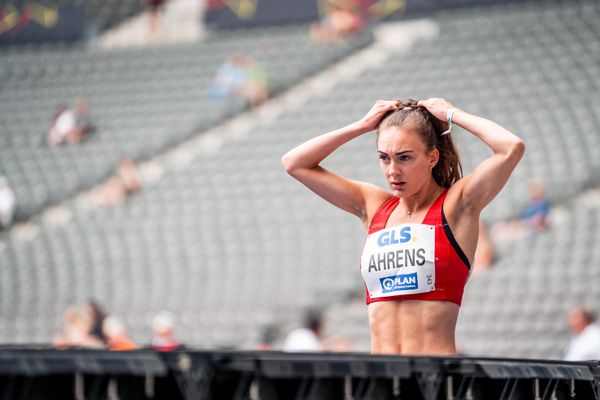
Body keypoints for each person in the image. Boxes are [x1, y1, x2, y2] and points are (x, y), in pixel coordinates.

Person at [282, 98, 525, 355]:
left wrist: (453, 114)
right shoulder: (375, 206)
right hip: (382, 377)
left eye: (404, 158)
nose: (393, 171)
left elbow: (511, 147)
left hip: (432, 377)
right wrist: (361, 126)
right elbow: (294, 163)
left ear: (432, 157)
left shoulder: (456, 205)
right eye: (384, 158)